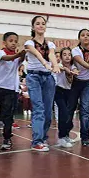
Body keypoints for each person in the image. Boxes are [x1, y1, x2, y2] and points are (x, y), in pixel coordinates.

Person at [24, 16, 60, 151]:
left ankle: (43, 136)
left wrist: (55, 65)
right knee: (38, 108)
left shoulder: (50, 44)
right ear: (33, 27)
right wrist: (45, 63)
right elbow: (37, 54)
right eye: (37, 24)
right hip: (34, 77)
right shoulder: (29, 42)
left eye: (43, 24)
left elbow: (51, 54)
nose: (40, 26)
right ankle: (36, 141)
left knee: (47, 111)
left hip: (48, 77)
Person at [68, 29, 89, 145]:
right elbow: (86, 65)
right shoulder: (75, 51)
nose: (85, 37)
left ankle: (85, 137)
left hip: (88, 83)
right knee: (70, 109)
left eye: (88, 35)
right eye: (83, 35)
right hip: (75, 82)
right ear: (79, 38)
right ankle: (65, 134)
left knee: (85, 110)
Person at [54, 47, 79, 148]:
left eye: (69, 54)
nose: (67, 56)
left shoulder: (73, 66)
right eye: (64, 54)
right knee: (63, 113)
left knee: (69, 116)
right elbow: (61, 68)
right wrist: (66, 70)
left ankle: (66, 135)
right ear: (60, 57)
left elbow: (75, 70)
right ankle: (61, 137)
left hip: (69, 92)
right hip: (59, 91)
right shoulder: (59, 65)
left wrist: (73, 71)